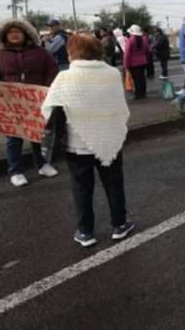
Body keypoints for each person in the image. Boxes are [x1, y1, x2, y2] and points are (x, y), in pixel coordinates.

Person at [41, 33, 135, 247]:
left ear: (71, 52)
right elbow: (118, 105)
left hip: (77, 144)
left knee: (82, 188)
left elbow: (48, 110)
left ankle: (86, 232)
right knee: (114, 184)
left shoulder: (64, 77)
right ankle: (119, 224)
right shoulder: (112, 73)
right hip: (110, 138)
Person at [0, 19, 60, 187]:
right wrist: (4, 92)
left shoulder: (41, 52)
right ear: (4, 35)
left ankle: (43, 164)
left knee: (38, 135)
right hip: (11, 104)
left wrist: (44, 90)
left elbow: (52, 71)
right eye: (10, 32)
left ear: (26, 34)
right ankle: (16, 171)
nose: (15, 35)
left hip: (38, 101)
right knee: (14, 138)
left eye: (18, 31)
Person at [124, 24, 150, 100]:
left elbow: (127, 54)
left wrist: (126, 64)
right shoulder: (144, 39)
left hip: (133, 63)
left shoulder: (130, 40)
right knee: (142, 78)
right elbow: (147, 51)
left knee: (136, 79)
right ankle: (143, 93)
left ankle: (138, 94)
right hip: (143, 62)